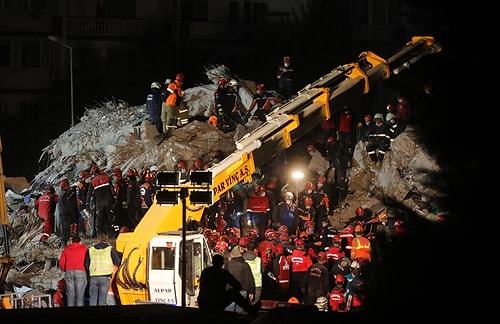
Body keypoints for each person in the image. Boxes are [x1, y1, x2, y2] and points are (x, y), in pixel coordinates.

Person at [197, 254, 261, 317]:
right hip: (216, 302)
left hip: (203, 302)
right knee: (234, 294)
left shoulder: (205, 272)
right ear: (222, 263)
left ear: (213, 262)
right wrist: (227, 291)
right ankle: (250, 310)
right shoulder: (224, 273)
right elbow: (237, 286)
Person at [85, 233, 121, 306]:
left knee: (93, 299)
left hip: (94, 277)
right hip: (105, 278)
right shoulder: (110, 249)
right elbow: (117, 262)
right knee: (102, 300)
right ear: (106, 240)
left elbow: (86, 263)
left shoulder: (91, 250)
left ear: (98, 240)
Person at [58, 233, 89, 307]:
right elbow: (87, 262)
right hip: (81, 272)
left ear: (71, 242)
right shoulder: (85, 249)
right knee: (80, 296)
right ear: (80, 242)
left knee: (70, 295)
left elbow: (61, 262)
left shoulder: (67, 249)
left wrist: (66, 269)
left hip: (69, 272)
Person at [86, 166, 115, 237]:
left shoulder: (93, 181)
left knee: (99, 216)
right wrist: (114, 198)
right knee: (109, 215)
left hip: (99, 201)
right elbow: (112, 190)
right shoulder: (107, 178)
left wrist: (87, 203)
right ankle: (110, 232)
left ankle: (99, 232)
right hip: (108, 200)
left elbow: (89, 193)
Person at [57, 178, 79, 248]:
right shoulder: (64, 195)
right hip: (65, 214)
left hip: (64, 214)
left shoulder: (62, 193)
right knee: (65, 229)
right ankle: (63, 244)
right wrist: (76, 203)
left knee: (67, 228)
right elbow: (69, 204)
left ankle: (64, 242)